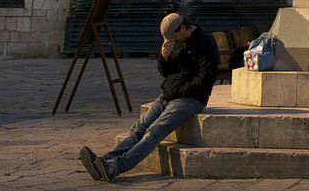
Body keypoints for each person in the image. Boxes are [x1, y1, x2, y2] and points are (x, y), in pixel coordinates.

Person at [80, 13, 219, 182]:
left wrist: (182, 91)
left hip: (190, 99)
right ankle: (104, 161)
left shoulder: (205, 43)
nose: (172, 41)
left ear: (183, 28)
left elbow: (206, 77)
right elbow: (166, 73)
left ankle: (116, 167)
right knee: (139, 128)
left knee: (154, 131)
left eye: (174, 36)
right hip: (168, 95)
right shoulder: (176, 43)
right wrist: (164, 58)